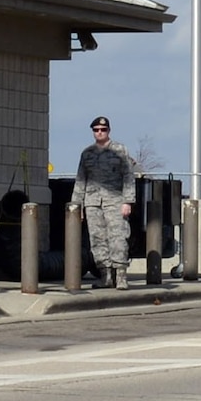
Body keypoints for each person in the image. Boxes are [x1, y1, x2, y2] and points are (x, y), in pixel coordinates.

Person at [76, 115, 136, 289]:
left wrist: (127, 201)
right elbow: (80, 180)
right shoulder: (87, 153)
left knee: (118, 238)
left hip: (115, 201)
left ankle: (121, 276)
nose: (99, 133)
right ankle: (106, 276)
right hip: (93, 202)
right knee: (97, 240)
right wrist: (77, 205)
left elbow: (128, 177)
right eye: (96, 130)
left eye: (103, 130)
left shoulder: (119, 150)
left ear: (108, 131)